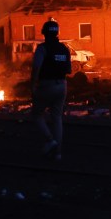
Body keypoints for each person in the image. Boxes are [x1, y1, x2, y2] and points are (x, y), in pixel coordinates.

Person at [31, 18, 72, 160]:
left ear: (44, 33)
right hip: (62, 86)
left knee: (36, 114)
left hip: (46, 85)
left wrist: (33, 86)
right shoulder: (64, 49)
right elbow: (69, 70)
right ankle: (58, 153)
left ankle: (50, 140)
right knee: (57, 118)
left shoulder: (42, 48)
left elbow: (36, 67)